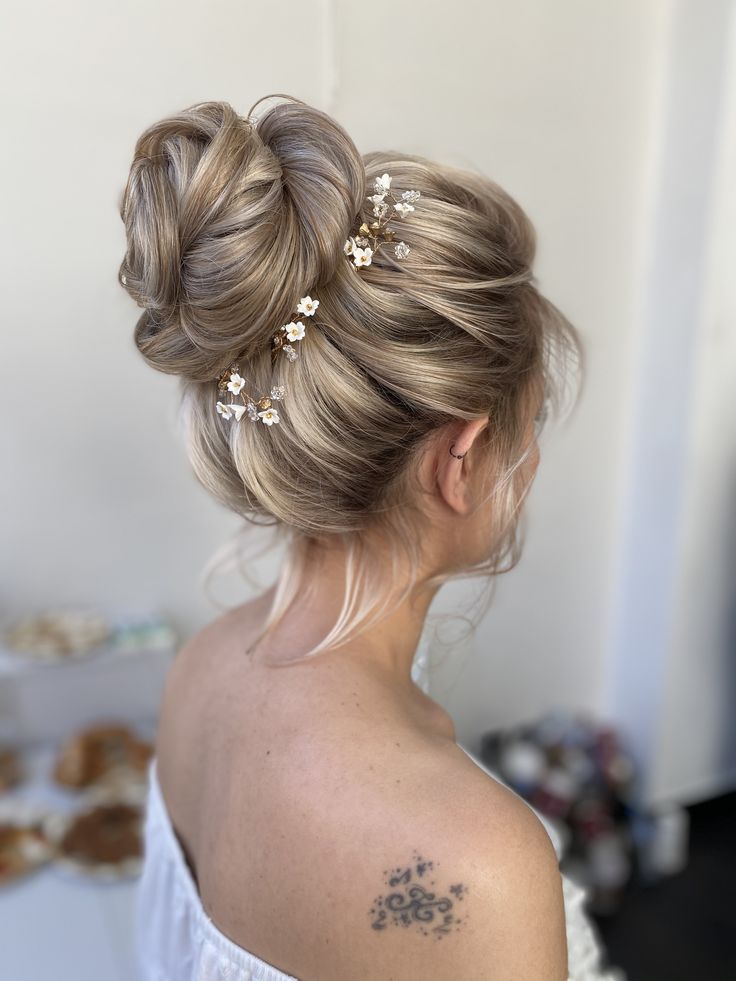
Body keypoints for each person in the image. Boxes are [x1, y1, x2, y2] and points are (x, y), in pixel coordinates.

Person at [120, 93, 617, 981]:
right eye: (530, 424)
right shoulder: (474, 867)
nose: (534, 458)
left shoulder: (199, 670)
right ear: (458, 461)